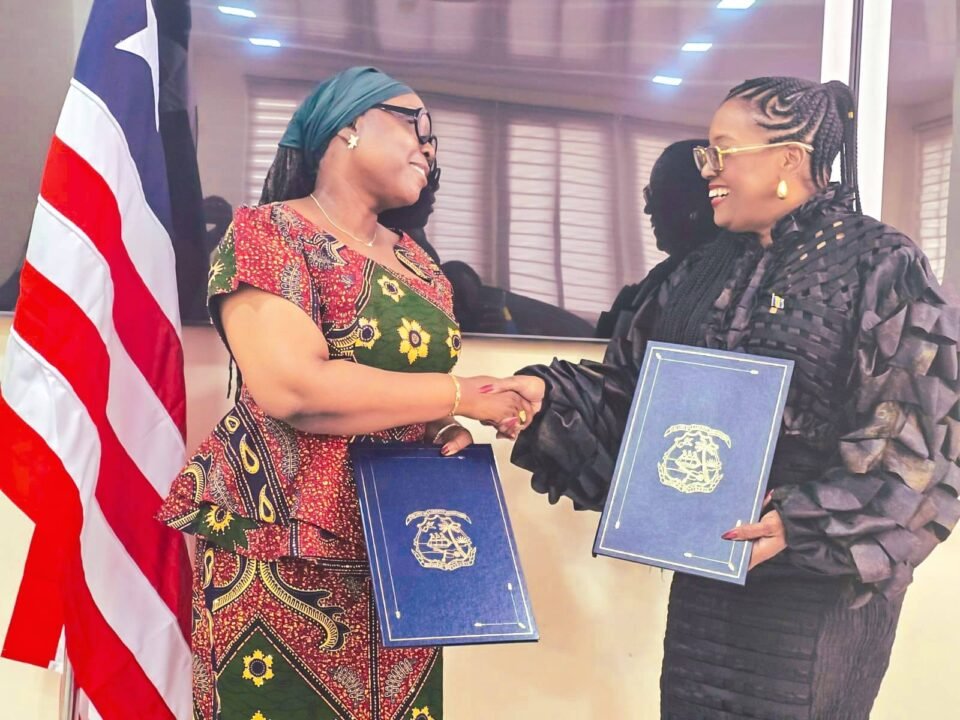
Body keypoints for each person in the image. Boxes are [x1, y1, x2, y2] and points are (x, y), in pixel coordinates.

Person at [491, 77, 960, 719]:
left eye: (722, 152)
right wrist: (548, 397)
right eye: (705, 155)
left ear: (788, 159)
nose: (708, 170)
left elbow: (916, 443)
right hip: (709, 567)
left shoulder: (880, 263)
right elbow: (636, 398)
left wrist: (802, 521)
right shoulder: (701, 269)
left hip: (812, 590)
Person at [156, 66, 529, 720]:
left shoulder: (420, 264)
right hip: (282, 545)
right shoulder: (269, 233)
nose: (429, 145)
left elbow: (407, 392)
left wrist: (437, 429)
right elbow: (295, 389)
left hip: (402, 554)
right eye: (414, 124)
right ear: (348, 126)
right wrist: (458, 395)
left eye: (434, 137)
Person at [596, 138, 719, 338]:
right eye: (649, 194)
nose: (648, 208)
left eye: (661, 194)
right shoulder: (656, 282)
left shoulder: (730, 282)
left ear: (698, 202)